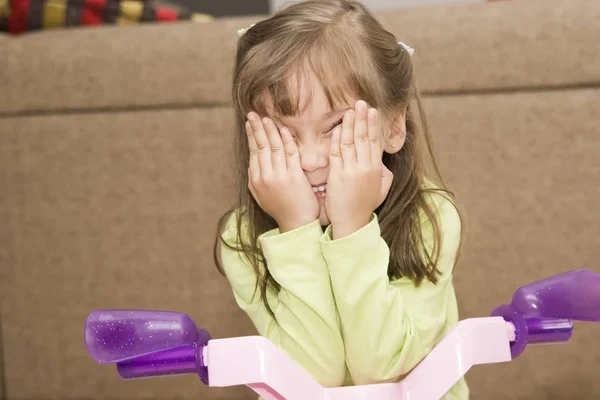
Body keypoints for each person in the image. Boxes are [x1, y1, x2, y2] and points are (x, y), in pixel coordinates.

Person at [213, 0, 468, 398]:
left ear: (394, 126)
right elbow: (311, 376)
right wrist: (296, 229)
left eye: (335, 127)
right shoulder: (242, 236)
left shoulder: (430, 215)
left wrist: (351, 227)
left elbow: (384, 368)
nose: (311, 161)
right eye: (283, 134)